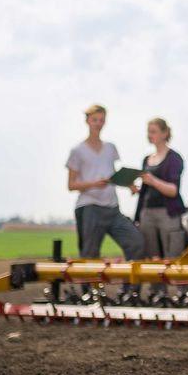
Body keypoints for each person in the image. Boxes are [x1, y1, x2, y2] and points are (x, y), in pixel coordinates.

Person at [65, 104, 144, 260]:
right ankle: (90, 285)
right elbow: (71, 185)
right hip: (89, 207)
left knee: (136, 242)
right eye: (95, 120)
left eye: (101, 120)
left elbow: (112, 175)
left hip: (112, 208)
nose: (98, 123)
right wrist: (94, 184)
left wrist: (128, 184)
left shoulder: (110, 148)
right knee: (90, 255)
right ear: (87, 121)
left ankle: (129, 284)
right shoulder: (77, 151)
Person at [131, 118, 185, 262]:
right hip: (146, 213)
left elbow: (173, 190)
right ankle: (157, 285)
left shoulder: (174, 158)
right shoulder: (146, 159)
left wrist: (153, 180)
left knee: (172, 257)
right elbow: (146, 190)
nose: (150, 135)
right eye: (149, 132)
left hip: (167, 213)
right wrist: (135, 189)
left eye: (153, 131)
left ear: (164, 133)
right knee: (152, 257)